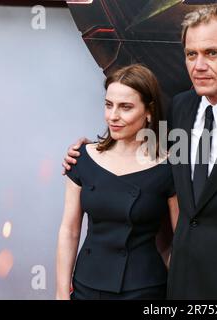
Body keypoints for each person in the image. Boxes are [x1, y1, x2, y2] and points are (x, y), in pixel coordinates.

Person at [64, 3, 217, 300]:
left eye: (212, 53)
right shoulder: (181, 108)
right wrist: (87, 152)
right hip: (178, 287)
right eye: (191, 54)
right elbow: (139, 152)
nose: (198, 66)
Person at [56, 64, 179, 300]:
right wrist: (61, 293)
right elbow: (69, 230)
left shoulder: (169, 167)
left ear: (149, 111)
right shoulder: (82, 158)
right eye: (108, 104)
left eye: (125, 107)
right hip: (86, 286)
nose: (113, 116)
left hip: (145, 289)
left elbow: (180, 240)